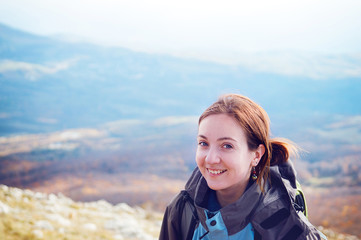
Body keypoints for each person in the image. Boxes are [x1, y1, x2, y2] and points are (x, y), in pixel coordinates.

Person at [159, 94, 327, 240]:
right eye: (203, 143)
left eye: (227, 146)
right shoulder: (181, 210)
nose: (210, 158)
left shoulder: (283, 224)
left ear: (256, 155)